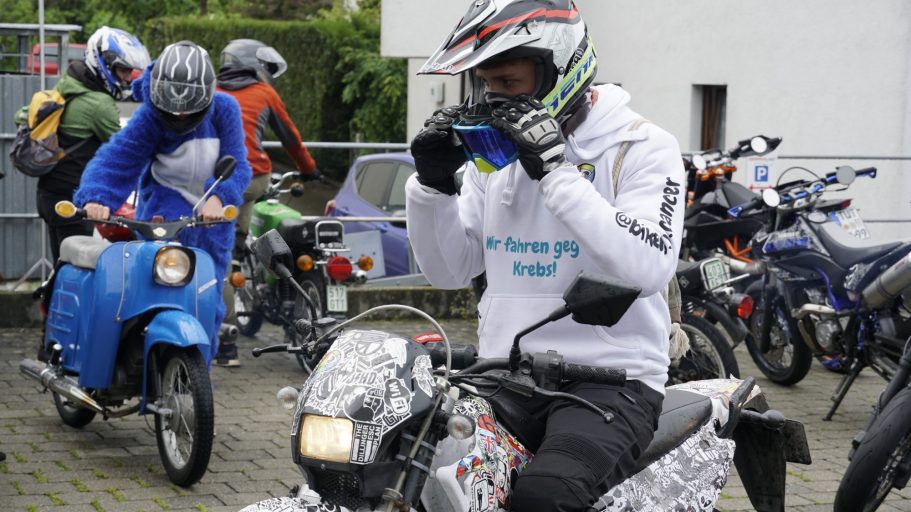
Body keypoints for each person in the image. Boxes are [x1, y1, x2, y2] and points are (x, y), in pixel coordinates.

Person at [405, 1, 685, 511]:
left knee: (545, 496)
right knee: (413, 469)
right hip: (503, 372)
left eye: (508, 83)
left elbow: (647, 267)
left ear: (557, 70)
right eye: (486, 85)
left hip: (611, 380)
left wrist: (555, 171)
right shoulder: (495, 158)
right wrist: (432, 187)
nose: (494, 98)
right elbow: (449, 269)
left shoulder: (642, 146)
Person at [74, 41, 251, 366]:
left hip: (212, 221)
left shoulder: (225, 109)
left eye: (189, 105)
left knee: (209, 304)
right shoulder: (151, 117)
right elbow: (116, 159)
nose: (180, 112)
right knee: (154, 293)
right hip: (164, 212)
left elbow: (237, 164)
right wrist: (97, 197)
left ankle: (196, 374)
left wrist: (220, 196)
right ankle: (138, 362)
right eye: (172, 104)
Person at [215, 39, 319, 337]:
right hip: (255, 176)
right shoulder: (264, 92)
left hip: (220, 180)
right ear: (255, 65)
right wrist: (309, 169)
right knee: (248, 201)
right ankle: (245, 249)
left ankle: (226, 334)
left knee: (223, 255)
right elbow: (290, 138)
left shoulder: (212, 91)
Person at [35, 26, 150, 262]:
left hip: (50, 194)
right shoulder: (99, 104)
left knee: (62, 264)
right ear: (102, 63)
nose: (128, 77)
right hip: (75, 200)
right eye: (123, 69)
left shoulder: (70, 84)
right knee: (78, 267)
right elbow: (128, 151)